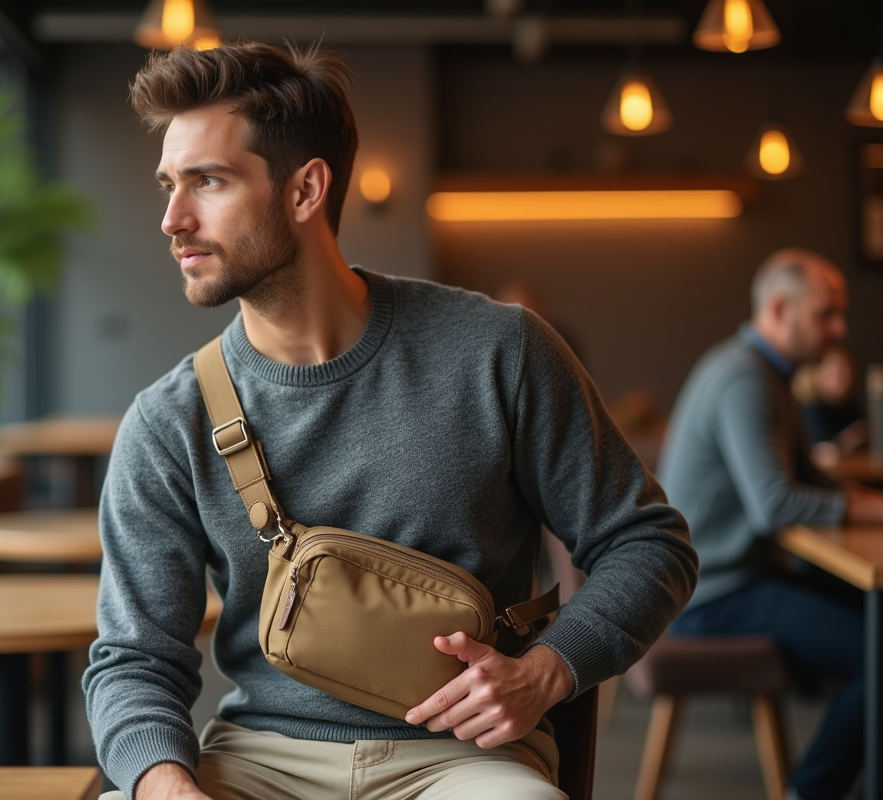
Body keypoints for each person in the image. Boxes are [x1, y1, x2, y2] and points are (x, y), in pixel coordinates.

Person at [83, 41, 697, 800]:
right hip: (259, 758)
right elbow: (133, 659)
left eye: (207, 181)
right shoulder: (166, 421)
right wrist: (166, 787)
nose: (174, 219)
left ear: (306, 190)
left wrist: (547, 670)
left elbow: (647, 541)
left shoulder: (499, 351)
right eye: (169, 185)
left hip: (464, 761)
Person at [658, 248, 883, 800]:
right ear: (781, 309)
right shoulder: (744, 378)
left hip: (738, 576)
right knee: (879, 651)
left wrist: (866, 502)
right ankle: (809, 792)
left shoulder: (765, 372)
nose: (840, 328)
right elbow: (776, 505)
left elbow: (810, 481)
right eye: (826, 313)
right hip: (710, 592)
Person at [793, 345, 867, 466]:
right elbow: (820, 448)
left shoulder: (848, 402)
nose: (843, 380)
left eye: (846, 374)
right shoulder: (810, 404)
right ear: (820, 373)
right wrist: (845, 441)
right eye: (836, 373)